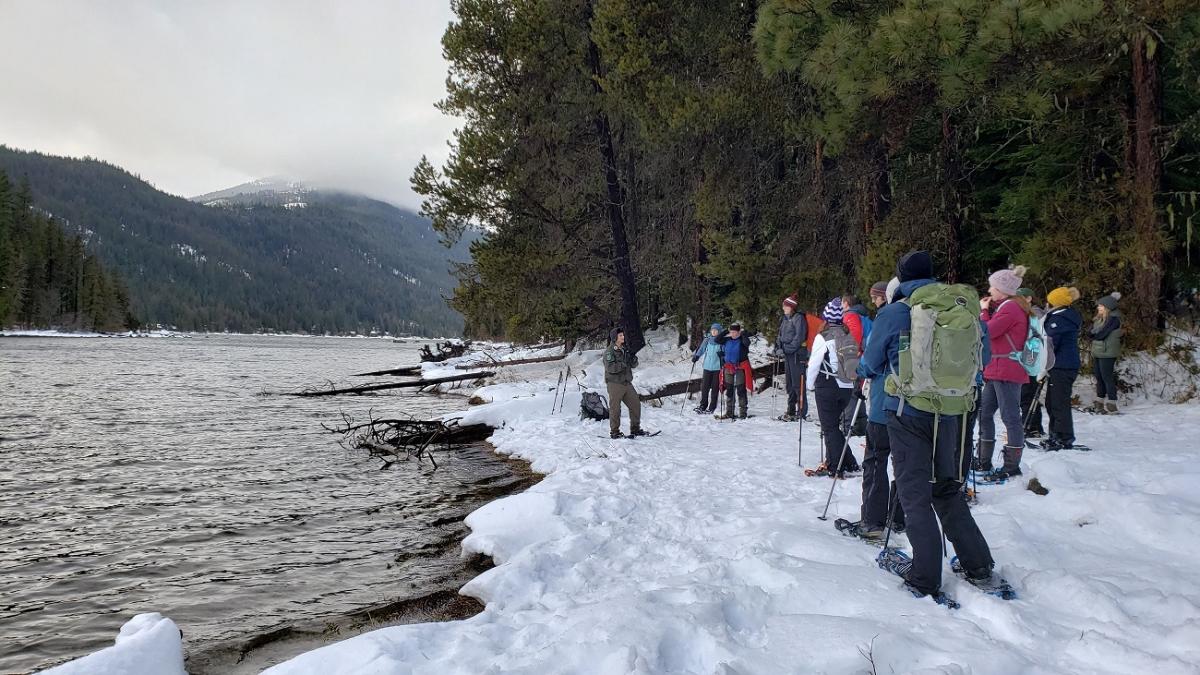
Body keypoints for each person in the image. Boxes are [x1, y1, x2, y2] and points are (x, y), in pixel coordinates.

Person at [860, 250, 996, 603]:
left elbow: (871, 362)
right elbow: (986, 358)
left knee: (913, 493)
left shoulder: (896, 311)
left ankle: (924, 576)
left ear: (901, 278)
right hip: (953, 412)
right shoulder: (963, 310)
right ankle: (978, 563)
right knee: (946, 487)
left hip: (908, 412)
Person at [849, 281, 906, 541]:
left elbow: (871, 360)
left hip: (885, 401)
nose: (873, 302)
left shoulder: (889, 318)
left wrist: (861, 371)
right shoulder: (923, 315)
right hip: (918, 407)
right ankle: (899, 516)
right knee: (905, 464)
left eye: (876, 297)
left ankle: (872, 521)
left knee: (876, 460)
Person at [977, 265, 1031, 482]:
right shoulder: (1008, 307)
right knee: (984, 412)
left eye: (993, 286)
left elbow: (988, 332)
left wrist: (983, 312)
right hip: (997, 368)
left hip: (1007, 369)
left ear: (1002, 289)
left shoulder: (1011, 308)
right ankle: (984, 459)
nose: (990, 290)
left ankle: (1011, 465)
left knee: (1010, 416)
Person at [806, 298, 860, 477]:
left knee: (829, 428)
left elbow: (814, 363)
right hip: (846, 387)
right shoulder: (848, 335)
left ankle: (836, 466)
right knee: (834, 427)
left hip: (828, 386)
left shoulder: (824, 337)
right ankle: (848, 461)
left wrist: (809, 384)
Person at [1043, 287, 1083, 448]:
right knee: (1051, 402)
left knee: (1059, 403)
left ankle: (1063, 436)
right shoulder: (1062, 317)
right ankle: (1055, 433)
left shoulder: (1060, 320)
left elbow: (1052, 343)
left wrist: (1043, 361)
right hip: (1060, 365)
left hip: (1062, 365)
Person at [604, 327, 647, 438]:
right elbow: (610, 368)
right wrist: (623, 363)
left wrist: (632, 358)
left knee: (635, 404)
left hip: (627, 382)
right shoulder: (609, 352)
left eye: (623, 335)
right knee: (615, 409)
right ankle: (615, 432)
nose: (623, 337)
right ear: (615, 338)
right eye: (620, 336)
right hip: (615, 384)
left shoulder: (625, 349)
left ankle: (635, 429)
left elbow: (634, 365)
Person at [1016, 288, 1046, 438]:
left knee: (1027, 395)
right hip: (1025, 358)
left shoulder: (1034, 314)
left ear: (1028, 298)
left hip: (1031, 359)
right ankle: (1034, 426)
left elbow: (1036, 340)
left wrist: (1028, 363)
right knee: (1026, 395)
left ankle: (1031, 427)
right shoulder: (1023, 313)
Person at [777, 294, 809, 421]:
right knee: (790, 383)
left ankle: (801, 411)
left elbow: (799, 338)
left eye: (785, 306)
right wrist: (778, 347)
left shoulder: (799, 318)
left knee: (798, 383)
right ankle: (790, 409)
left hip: (797, 355)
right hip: (788, 355)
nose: (783, 307)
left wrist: (785, 349)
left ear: (792, 307)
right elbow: (779, 335)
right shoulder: (785, 319)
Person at [1089, 292, 1123, 414]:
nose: (1098, 308)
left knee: (1107, 377)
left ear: (1107, 307)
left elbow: (1102, 334)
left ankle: (1112, 403)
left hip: (1108, 352)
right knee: (1099, 377)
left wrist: (1093, 335)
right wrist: (1092, 334)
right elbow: (1089, 332)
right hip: (1098, 351)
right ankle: (1099, 402)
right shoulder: (1099, 318)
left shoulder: (1114, 319)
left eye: (1101, 306)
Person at [716, 322, 755, 419]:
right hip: (728, 368)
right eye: (731, 332)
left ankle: (743, 413)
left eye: (735, 332)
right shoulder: (727, 339)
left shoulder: (742, 340)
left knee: (740, 390)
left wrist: (743, 334)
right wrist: (726, 330)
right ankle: (729, 412)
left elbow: (747, 343)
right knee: (729, 390)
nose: (733, 334)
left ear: (738, 332)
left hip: (740, 368)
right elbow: (717, 339)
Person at [691, 323, 724, 414]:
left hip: (717, 368)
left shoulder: (722, 341)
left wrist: (723, 355)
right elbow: (701, 350)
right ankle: (703, 405)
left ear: (719, 332)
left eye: (716, 330)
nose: (713, 332)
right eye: (712, 330)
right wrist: (696, 357)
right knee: (704, 387)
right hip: (707, 367)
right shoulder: (707, 340)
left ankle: (712, 406)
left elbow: (726, 353)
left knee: (715, 388)